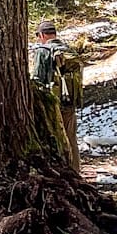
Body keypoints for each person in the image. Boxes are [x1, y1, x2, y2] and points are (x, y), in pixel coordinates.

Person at [31, 16, 83, 171]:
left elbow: (38, 79)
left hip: (52, 102)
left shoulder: (43, 51)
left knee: (54, 139)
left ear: (41, 35)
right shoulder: (68, 49)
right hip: (70, 101)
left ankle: (61, 173)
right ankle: (75, 171)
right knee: (71, 138)